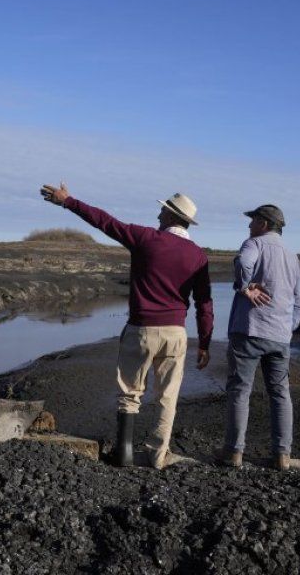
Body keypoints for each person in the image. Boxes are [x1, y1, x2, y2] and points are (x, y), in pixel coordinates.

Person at [40, 183, 213, 469]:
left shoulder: (146, 238)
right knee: (167, 397)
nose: (158, 215)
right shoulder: (198, 255)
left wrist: (68, 201)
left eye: (163, 211)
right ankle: (158, 456)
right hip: (176, 333)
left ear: (172, 216)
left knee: (130, 392)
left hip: (141, 329)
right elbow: (204, 303)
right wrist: (204, 342)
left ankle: (124, 453)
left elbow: (105, 222)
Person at [220, 204, 300, 471]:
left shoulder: (254, 243)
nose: (249, 225)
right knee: (280, 394)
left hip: (249, 331)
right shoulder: (292, 255)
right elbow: (299, 300)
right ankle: (282, 456)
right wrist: (287, 328)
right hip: (280, 336)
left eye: (253, 220)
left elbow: (244, 263)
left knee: (240, 390)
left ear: (264, 223)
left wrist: (244, 287)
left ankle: (234, 453)